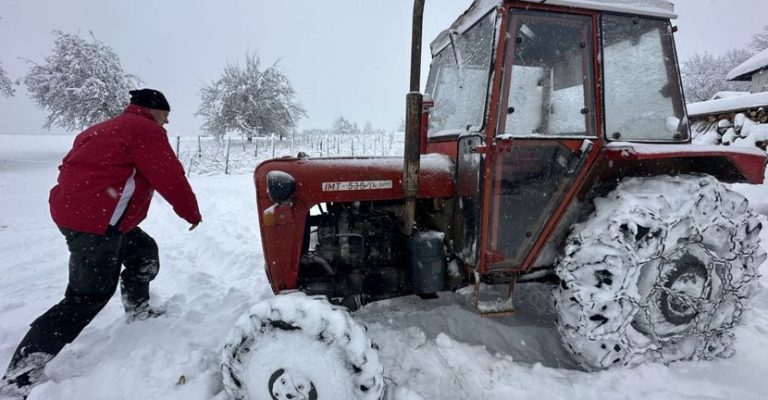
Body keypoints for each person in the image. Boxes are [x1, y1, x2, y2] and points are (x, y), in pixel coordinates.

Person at [0, 89, 202, 397]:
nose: (167, 123)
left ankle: (139, 310)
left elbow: (70, 166)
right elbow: (169, 176)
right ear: (153, 110)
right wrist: (191, 212)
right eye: (166, 116)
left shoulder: (102, 128)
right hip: (95, 223)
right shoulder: (144, 129)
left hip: (83, 215)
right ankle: (20, 375)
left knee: (143, 252)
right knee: (87, 296)